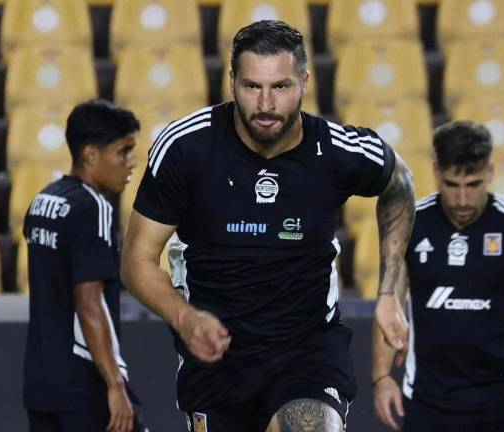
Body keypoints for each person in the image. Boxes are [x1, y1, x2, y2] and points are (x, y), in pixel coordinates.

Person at [121, 20, 414, 432]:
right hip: (215, 357)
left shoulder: (335, 150)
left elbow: (400, 184)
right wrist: (185, 319)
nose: (265, 104)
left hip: (306, 351)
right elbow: (136, 261)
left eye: (280, 87)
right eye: (251, 86)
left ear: (305, 82)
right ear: (232, 81)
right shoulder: (187, 148)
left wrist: (389, 294)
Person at [372, 121, 504, 431]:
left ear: (490, 172)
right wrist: (381, 377)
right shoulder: (410, 225)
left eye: (473, 185)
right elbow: (389, 306)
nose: (462, 200)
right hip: (427, 405)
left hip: (503, 406)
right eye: (452, 185)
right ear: (436, 171)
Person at [23, 99, 149, 432]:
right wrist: (115, 385)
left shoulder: (43, 200)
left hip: (41, 384)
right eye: (123, 151)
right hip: (86, 385)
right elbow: (89, 302)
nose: (132, 162)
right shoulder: (94, 208)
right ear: (91, 155)